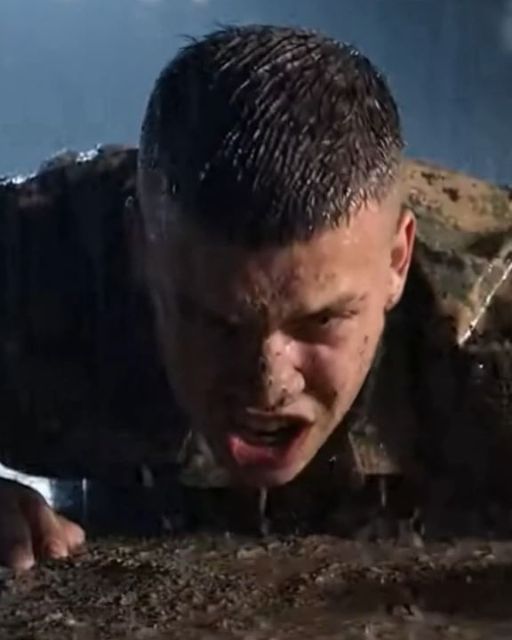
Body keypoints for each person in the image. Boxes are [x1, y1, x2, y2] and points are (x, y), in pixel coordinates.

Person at [1, 25, 511, 571]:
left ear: (396, 261)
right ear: (141, 248)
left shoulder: (493, 305)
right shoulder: (29, 264)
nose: (268, 384)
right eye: (218, 322)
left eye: (321, 321)